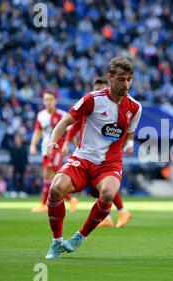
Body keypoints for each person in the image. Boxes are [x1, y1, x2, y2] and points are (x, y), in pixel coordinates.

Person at [44, 56, 141, 259]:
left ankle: (80, 237)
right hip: (83, 158)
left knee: (108, 193)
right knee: (55, 189)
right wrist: (53, 140)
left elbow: (129, 132)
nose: (126, 84)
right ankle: (56, 241)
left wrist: (129, 144)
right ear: (110, 78)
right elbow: (66, 121)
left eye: (129, 79)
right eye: (121, 79)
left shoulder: (135, 107)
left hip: (109, 164)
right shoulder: (92, 99)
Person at [62, 77, 132, 228]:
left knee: (105, 185)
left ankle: (114, 214)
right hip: (89, 154)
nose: (98, 91)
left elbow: (125, 130)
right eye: (96, 88)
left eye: (101, 88)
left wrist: (125, 145)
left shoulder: (117, 107)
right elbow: (73, 126)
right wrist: (68, 142)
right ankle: (118, 212)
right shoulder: (92, 105)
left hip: (105, 156)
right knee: (104, 187)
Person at [30, 91, 78, 213]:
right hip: (44, 148)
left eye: (50, 99)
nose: (48, 102)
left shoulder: (62, 115)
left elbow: (71, 132)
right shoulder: (41, 115)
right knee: (47, 176)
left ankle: (44, 203)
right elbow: (37, 131)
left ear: (55, 101)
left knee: (54, 173)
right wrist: (33, 145)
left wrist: (76, 146)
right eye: (46, 99)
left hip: (57, 148)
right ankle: (70, 199)